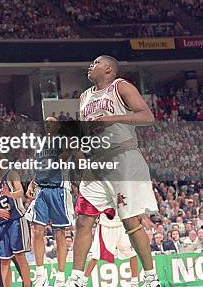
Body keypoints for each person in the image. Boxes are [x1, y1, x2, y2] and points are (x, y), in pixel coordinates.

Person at [68, 55, 160, 287]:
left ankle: (151, 278)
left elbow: (147, 117)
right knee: (83, 219)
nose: (91, 65)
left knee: (130, 221)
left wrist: (113, 119)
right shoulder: (85, 96)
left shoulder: (121, 86)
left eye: (96, 62)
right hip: (97, 162)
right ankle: (75, 279)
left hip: (123, 158)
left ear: (108, 68)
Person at [25, 116, 73, 287]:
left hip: (58, 188)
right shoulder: (39, 144)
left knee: (60, 233)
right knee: (37, 230)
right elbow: (39, 165)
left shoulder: (63, 139)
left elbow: (67, 155)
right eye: (45, 122)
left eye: (52, 121)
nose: (48, 124)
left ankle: (60, 277)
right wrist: (32, 181)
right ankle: (40, 275)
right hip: (42, 189)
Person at [0, 157, 31, 287]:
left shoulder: (12, 174)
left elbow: (20, 192)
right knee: (4, 260)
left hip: (17, 219)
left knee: (19, 255)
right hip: (3, 223)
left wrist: (10, 194)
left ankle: (27, 284)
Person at [83, 215, 139, 287]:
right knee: (95, 256)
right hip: (105, 225)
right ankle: (83, 282)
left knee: (133, 254)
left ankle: (135, 283)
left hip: (121, 224)